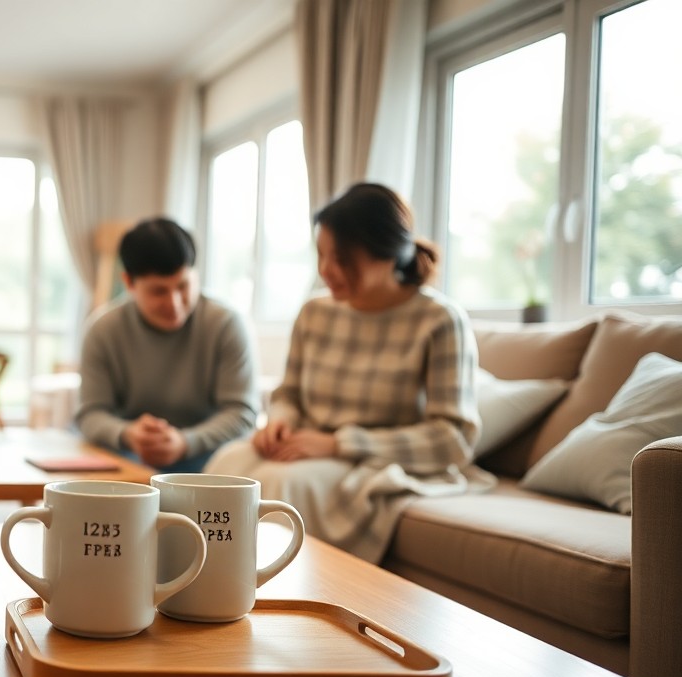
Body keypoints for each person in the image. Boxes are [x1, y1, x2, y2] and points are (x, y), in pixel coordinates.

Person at [204, 182, 488, 563]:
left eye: (342, 259)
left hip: (374, 460)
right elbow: (289, 394)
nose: (327, 271)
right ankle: (195, 581)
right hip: (307, 447)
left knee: (279, 485)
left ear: (388, 253)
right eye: (321, 256)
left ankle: (261, 595)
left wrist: (339, 444)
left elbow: (453, 438)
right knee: (227, 464)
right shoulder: (315, 313)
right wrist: (280, 423)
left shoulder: (440, 321)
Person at [75, 217, 259, 472]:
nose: (174, 303)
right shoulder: (103, 330)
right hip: (129, 457)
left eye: (183, 286)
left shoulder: (226, 325)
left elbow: (242, 413)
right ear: (128, 282)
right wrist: (128, 434)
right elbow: (89, 414)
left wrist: (185, 442)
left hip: (209, 459)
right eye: (159, 291)